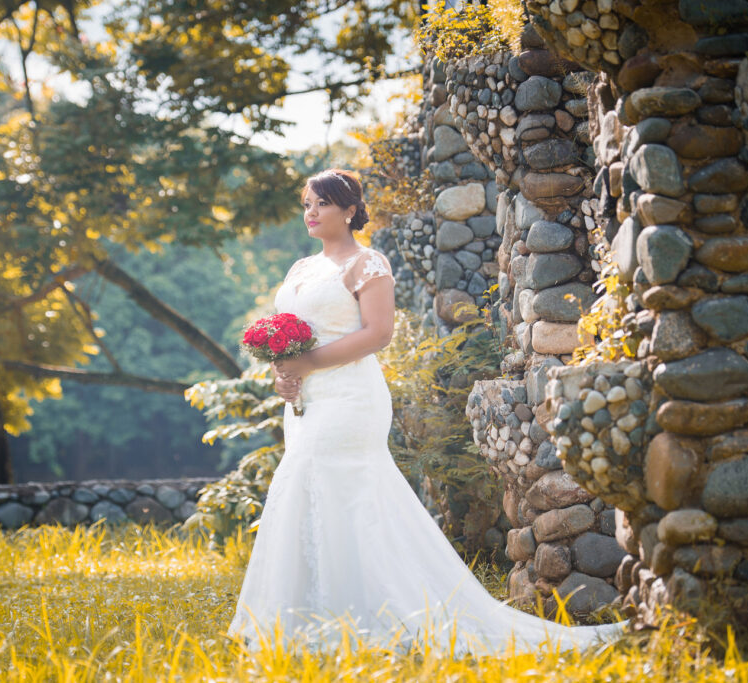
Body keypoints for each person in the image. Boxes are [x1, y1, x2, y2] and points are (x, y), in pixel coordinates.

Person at [226, 168, 625, 656]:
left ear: (349, 209)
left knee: (344, 487)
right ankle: (305, 616)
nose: (310, 212)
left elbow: (378, 334)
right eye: (306, 203)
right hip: (307, 400)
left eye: (321, 203)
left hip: (350, 398)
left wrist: (305, 362)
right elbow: (288, 337)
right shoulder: (300, 270)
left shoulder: (367, 263)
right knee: (306, 482)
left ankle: (379, 610)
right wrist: (283, 371)